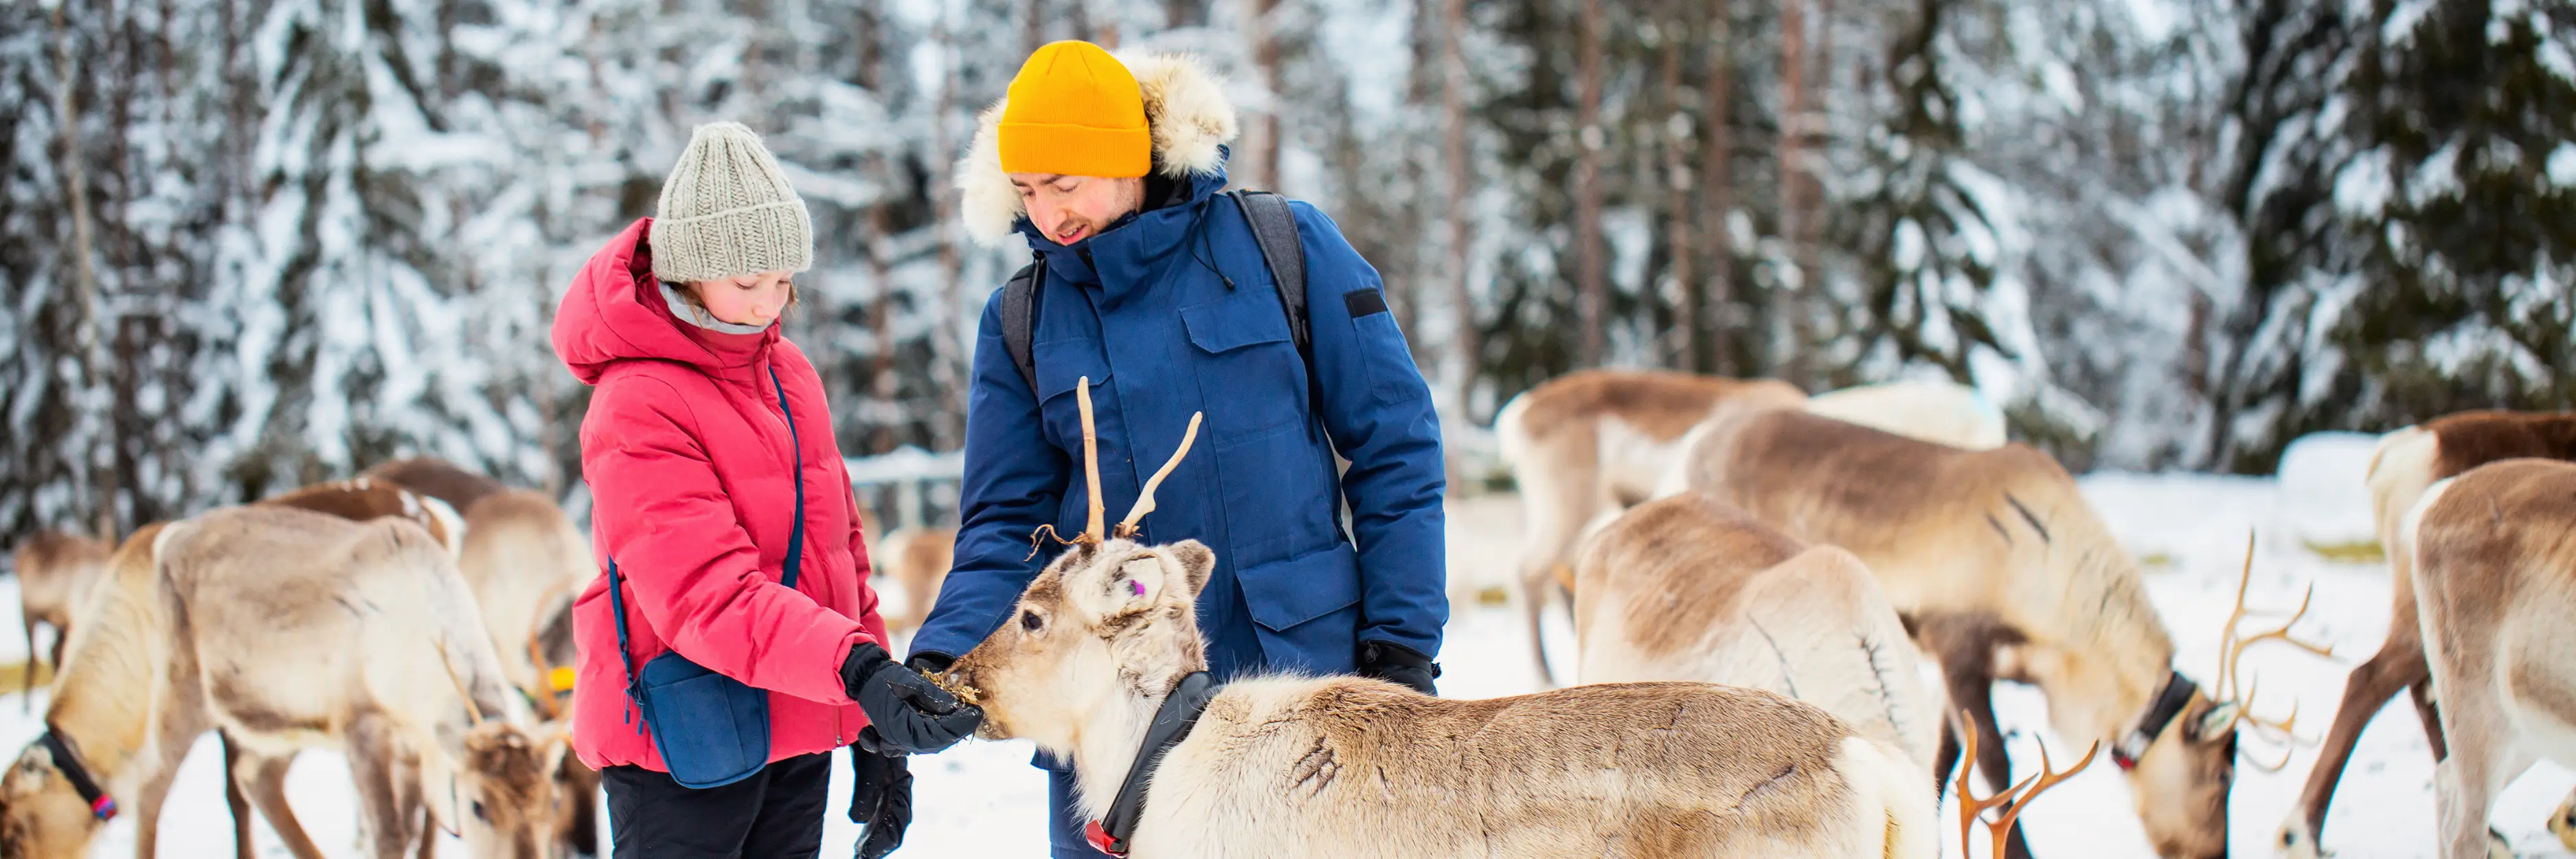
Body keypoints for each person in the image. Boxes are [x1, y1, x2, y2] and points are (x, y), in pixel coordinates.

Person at [906, 42, 1449, 858]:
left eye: (1064, 183)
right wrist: (944, 653)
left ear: (1127, 157)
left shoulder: (1283, 245)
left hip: (1299, 699)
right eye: (1026, 190)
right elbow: (1004, 524)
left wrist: (1402, 645)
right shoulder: (1020, 318)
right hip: (1115, 736)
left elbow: (1395, 448)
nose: (1047, 216)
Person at [553, 122, 982, 859]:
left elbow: (841, 556)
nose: (767, 305)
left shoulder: (790, 374)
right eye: (748, 283)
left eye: (784, 282)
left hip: (796, 716)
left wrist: (872, 722)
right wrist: (857, 670)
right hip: (680, 738)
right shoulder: (637, 400)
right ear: (688, 270)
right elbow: (703, 593)